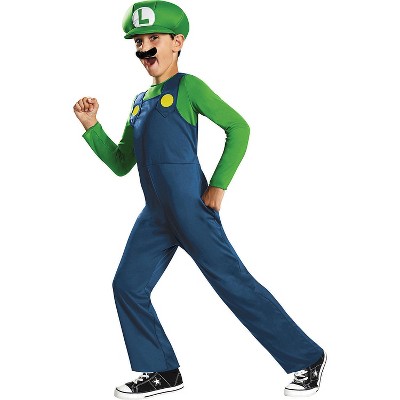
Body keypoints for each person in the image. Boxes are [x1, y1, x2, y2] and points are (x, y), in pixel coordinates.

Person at [73, 1, 327, 398]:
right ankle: (162, 370)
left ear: (177, 42)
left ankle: (308, 358)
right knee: (127, 285)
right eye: (138, 41)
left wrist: (219, 185)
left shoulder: (188, 87)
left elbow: (238, 127)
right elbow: (122, 163)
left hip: (192, 209)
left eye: (153, 38)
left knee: (234, 284)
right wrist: (92, 127)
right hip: (155, 215)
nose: (144, 48)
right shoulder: (139, 101)